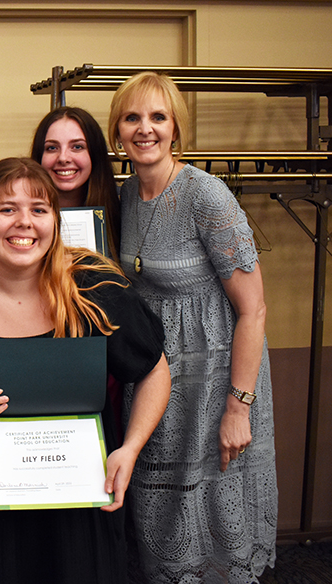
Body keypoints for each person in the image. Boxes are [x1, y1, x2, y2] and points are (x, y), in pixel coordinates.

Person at [0, 158, 171, 584]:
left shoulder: (93, 289)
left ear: (55, 221)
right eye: (7, 209)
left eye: (39, 209)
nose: (25, 223)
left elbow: (153, 370)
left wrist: (129, 449)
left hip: (81, 504)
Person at [109, 72, 277, 583]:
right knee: (162, 508)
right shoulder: (126, 197)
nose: (145, 129)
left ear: (176, 128)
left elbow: (255, 310)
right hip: (159, 375)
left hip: (218, 381)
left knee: (216, 511)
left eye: (158, 117)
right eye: (133, 117)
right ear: (117, 130)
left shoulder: (208, 196)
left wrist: (238, 407)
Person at [30, 106, 120, 261]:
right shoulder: (21, 218)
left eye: (77, 147)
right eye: (52, 148)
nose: (63, 158)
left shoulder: (121, 210)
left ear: (94, 154)